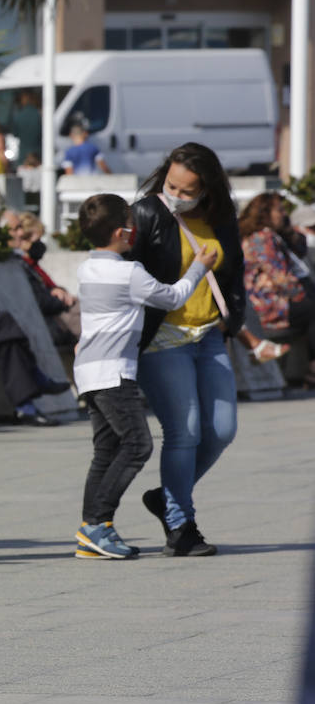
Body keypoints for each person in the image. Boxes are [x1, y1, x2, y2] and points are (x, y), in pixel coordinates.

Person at [72, 193, 215, 559]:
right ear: (122, 232)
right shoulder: (128, 273)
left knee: (106, 451)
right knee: (138, 446)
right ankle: (96, 525)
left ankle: (93, 530)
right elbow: (172, 298)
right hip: (114, 372)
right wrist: (199, 266)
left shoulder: (87, 268)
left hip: (89, 371)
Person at [130, 142, 244, 557]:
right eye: (171, 185)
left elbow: (235, 272)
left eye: (186, 189)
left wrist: (235, 319)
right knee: (185, 431)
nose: (176, 194)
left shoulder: (222, 217)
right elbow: (129, 277)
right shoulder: (146, 213)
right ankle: (181, 525)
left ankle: (167, 497)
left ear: (207, 187)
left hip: (209, 334)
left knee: (222, 429)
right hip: (162, 340)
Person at [240, 192, 315, 380]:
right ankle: (313, 368)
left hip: (277, 301)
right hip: (269, 305)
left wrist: (288, 230)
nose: (283, 214)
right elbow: (280, 278)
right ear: (265, 213)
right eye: (279, 210)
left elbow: (300, 247)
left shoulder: (273, 235)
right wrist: (303, 296)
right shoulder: (261, 238)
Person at [8, 211, 81, 345]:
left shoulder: (32, 266)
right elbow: (39, 299)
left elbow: (49, 286)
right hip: (52, 318)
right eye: (36, 240)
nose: (40, 245)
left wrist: (58, 290)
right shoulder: (21, 266)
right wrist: (60, 298)